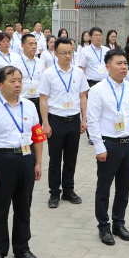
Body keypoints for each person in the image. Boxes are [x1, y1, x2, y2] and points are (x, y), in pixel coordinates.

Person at [0, 66, 46, 258]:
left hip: (26, 159)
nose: (17, 85)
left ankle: (22, 247)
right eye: (12, 81)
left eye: (19, 80)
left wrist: (38, 162)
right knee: (0, 209)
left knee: (23, 206)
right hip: (2, 160)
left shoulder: (29, 106)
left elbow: (37, 136)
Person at [86, 48, 129, 245]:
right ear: (107, 66)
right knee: (104, 188)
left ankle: (119, 223)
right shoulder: (97, 90)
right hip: (109, 144)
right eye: (119, 63)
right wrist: (99, 147)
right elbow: (92, 121)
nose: (123, 67)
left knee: (124, 187)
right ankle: (103, 226)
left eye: (125, 63)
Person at [40, 37, 89, 208]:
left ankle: (68, 190)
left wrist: (84, 119)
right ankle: (54, 193)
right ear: (56, 53)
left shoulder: (78, 73)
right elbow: (43, 99)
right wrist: (45, 123)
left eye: (70, 52)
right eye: (64, 53)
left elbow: (83, 96)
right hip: (56, 121)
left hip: (74, 120)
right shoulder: (49, 74)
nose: (68, 56)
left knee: (71, 158)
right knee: (55, 159)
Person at [78, 27, 110, 145]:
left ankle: (104, 132)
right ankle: (91, 135)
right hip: (91, 83)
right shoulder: (85, 51)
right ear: (90, 37)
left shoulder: (106, 50)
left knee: (105, 108)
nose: (98, 37)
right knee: (92, 110)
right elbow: (81, 68)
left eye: (100, 35)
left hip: (105, 83)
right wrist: (84, 86)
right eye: (96, 35)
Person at [15, 34, 44, 120]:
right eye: (30, 44)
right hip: (23, 99)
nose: (34, 47)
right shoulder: (16, 62)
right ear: (23, 45)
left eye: (35, 44)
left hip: (38, 100)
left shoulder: (40, 62)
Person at [0, 32, 20, 97]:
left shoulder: (16, 56)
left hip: (15, 87)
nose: (6, 43)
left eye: (8, 41)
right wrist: (2, 84)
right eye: (3, 41)